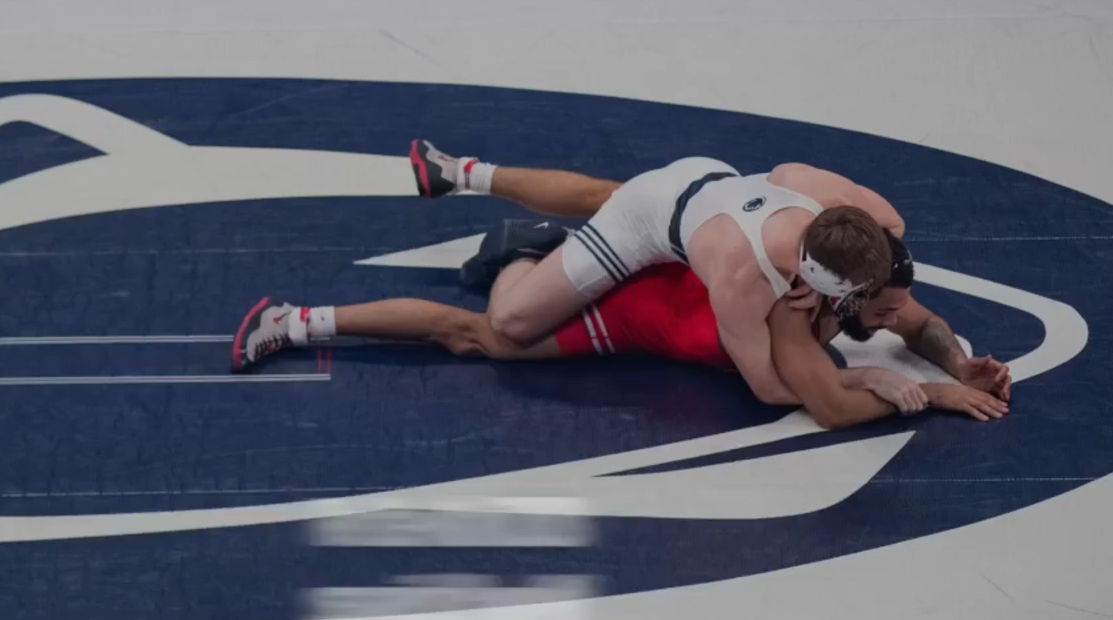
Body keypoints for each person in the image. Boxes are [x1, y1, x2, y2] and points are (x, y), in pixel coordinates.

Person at [231, 226, 1010, 428]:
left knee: (492, 325)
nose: (889, 321)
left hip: (668, 296)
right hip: (634, 311)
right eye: (877, 311)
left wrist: (953, 361)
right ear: (847, 294)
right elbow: (822, 403)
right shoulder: (790, 313)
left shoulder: (851, 279)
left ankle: (535, 254)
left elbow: (917, 321)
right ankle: (293, 321)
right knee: (479, 335)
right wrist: (918, 393)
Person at [408, 140, 905, 405]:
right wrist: (864, 378)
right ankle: (529, 247)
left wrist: (825, 288)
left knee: (594, 195)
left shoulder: (836, 202)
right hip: (648, 222)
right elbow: (770, 389)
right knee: (511, 324)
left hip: (713, 180)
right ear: (809, 272)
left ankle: (458, 172)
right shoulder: (737, 278)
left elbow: (894, 229)